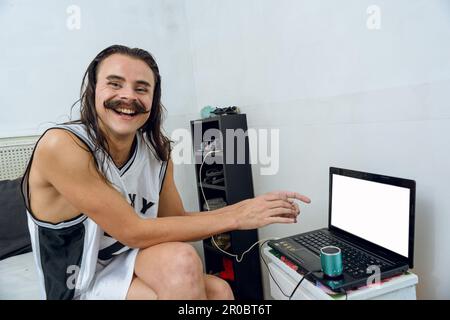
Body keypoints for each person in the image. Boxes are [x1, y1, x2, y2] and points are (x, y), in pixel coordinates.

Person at [20, 45, 311, 300]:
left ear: (153, 99)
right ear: (93, 90)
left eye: (141, 88)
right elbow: (133, 231)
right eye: (115, 84)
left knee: (217, 287)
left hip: (124, 261)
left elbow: (175, 222)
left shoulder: (157, 151)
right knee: (187, 263)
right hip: (78, 282)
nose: (128, 96)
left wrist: (246, 209)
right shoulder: (62, 145)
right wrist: (238, 216)